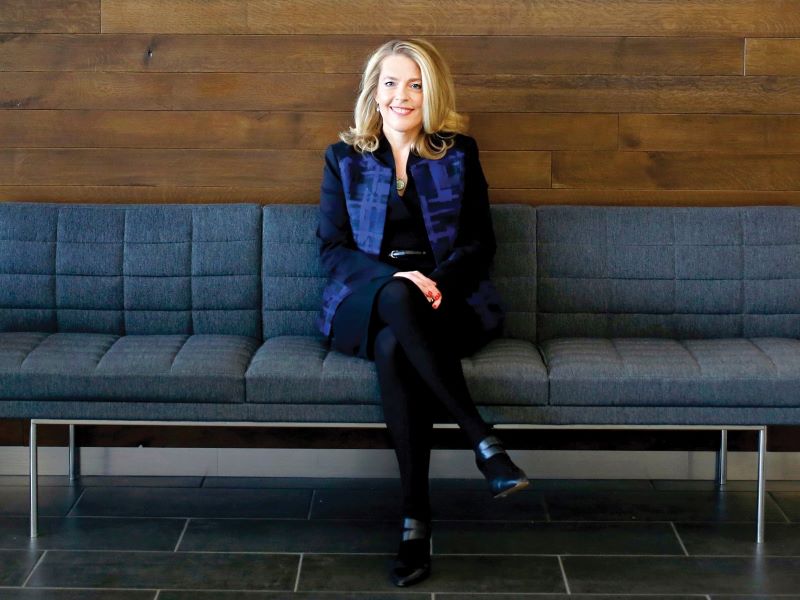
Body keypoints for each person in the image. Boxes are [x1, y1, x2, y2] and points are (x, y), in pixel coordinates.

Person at [316, 38, 529, 587]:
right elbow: (333, 250)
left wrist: (436, 284)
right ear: (375, 91)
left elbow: (480, 243)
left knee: (396, 343)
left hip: (449, 299)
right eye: (391, 83)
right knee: (396, 296)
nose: (402, 95)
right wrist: (397, 279)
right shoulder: (344, 159)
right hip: (366, 298)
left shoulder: (458, 153)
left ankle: (415, 523)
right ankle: (482, 439)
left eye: (415, 84)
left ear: (431, 93)